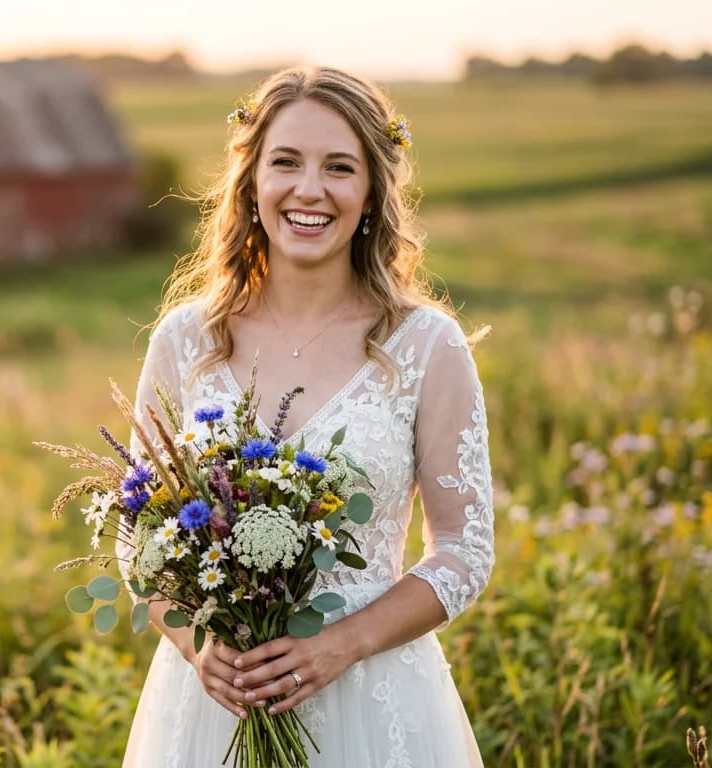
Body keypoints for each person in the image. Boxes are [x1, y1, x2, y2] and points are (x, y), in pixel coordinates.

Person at [120, 66, 494, 767]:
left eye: (340, 167)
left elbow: (464, 554)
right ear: (252, 182)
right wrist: (198, 644)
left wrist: (340, 646)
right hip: (213, 708)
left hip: (374, 700)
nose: (309, 189)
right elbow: (135, 538)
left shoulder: (425, 347)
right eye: (286, 161)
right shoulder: (185, 340)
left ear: (372, 194)